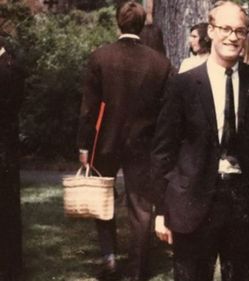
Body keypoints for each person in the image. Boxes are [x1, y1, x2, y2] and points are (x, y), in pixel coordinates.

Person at [151, 1, 249, 281]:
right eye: (225, 29)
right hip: (192, 202)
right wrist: (161, 210)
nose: (233, 37)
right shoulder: (182, 85)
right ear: (211, 30)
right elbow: (163, 151)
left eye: (240, 31)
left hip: (243, 203)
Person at [77, 2, 172, 280]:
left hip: (104, 141)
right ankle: (138, 270)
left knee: (101, 198)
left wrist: (83, 145)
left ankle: (109, 258)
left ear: (118, 22)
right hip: (143, 143)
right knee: (141, 207)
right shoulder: (160, 64)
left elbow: (88, 107)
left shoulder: (100, 57)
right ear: (143, 25)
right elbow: (165, 114)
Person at [0, 36, 24, 281]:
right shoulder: (11, 65)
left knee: (7, 211)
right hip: (6, 146)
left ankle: (10, 268)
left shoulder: (10, 68)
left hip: (4, 147)